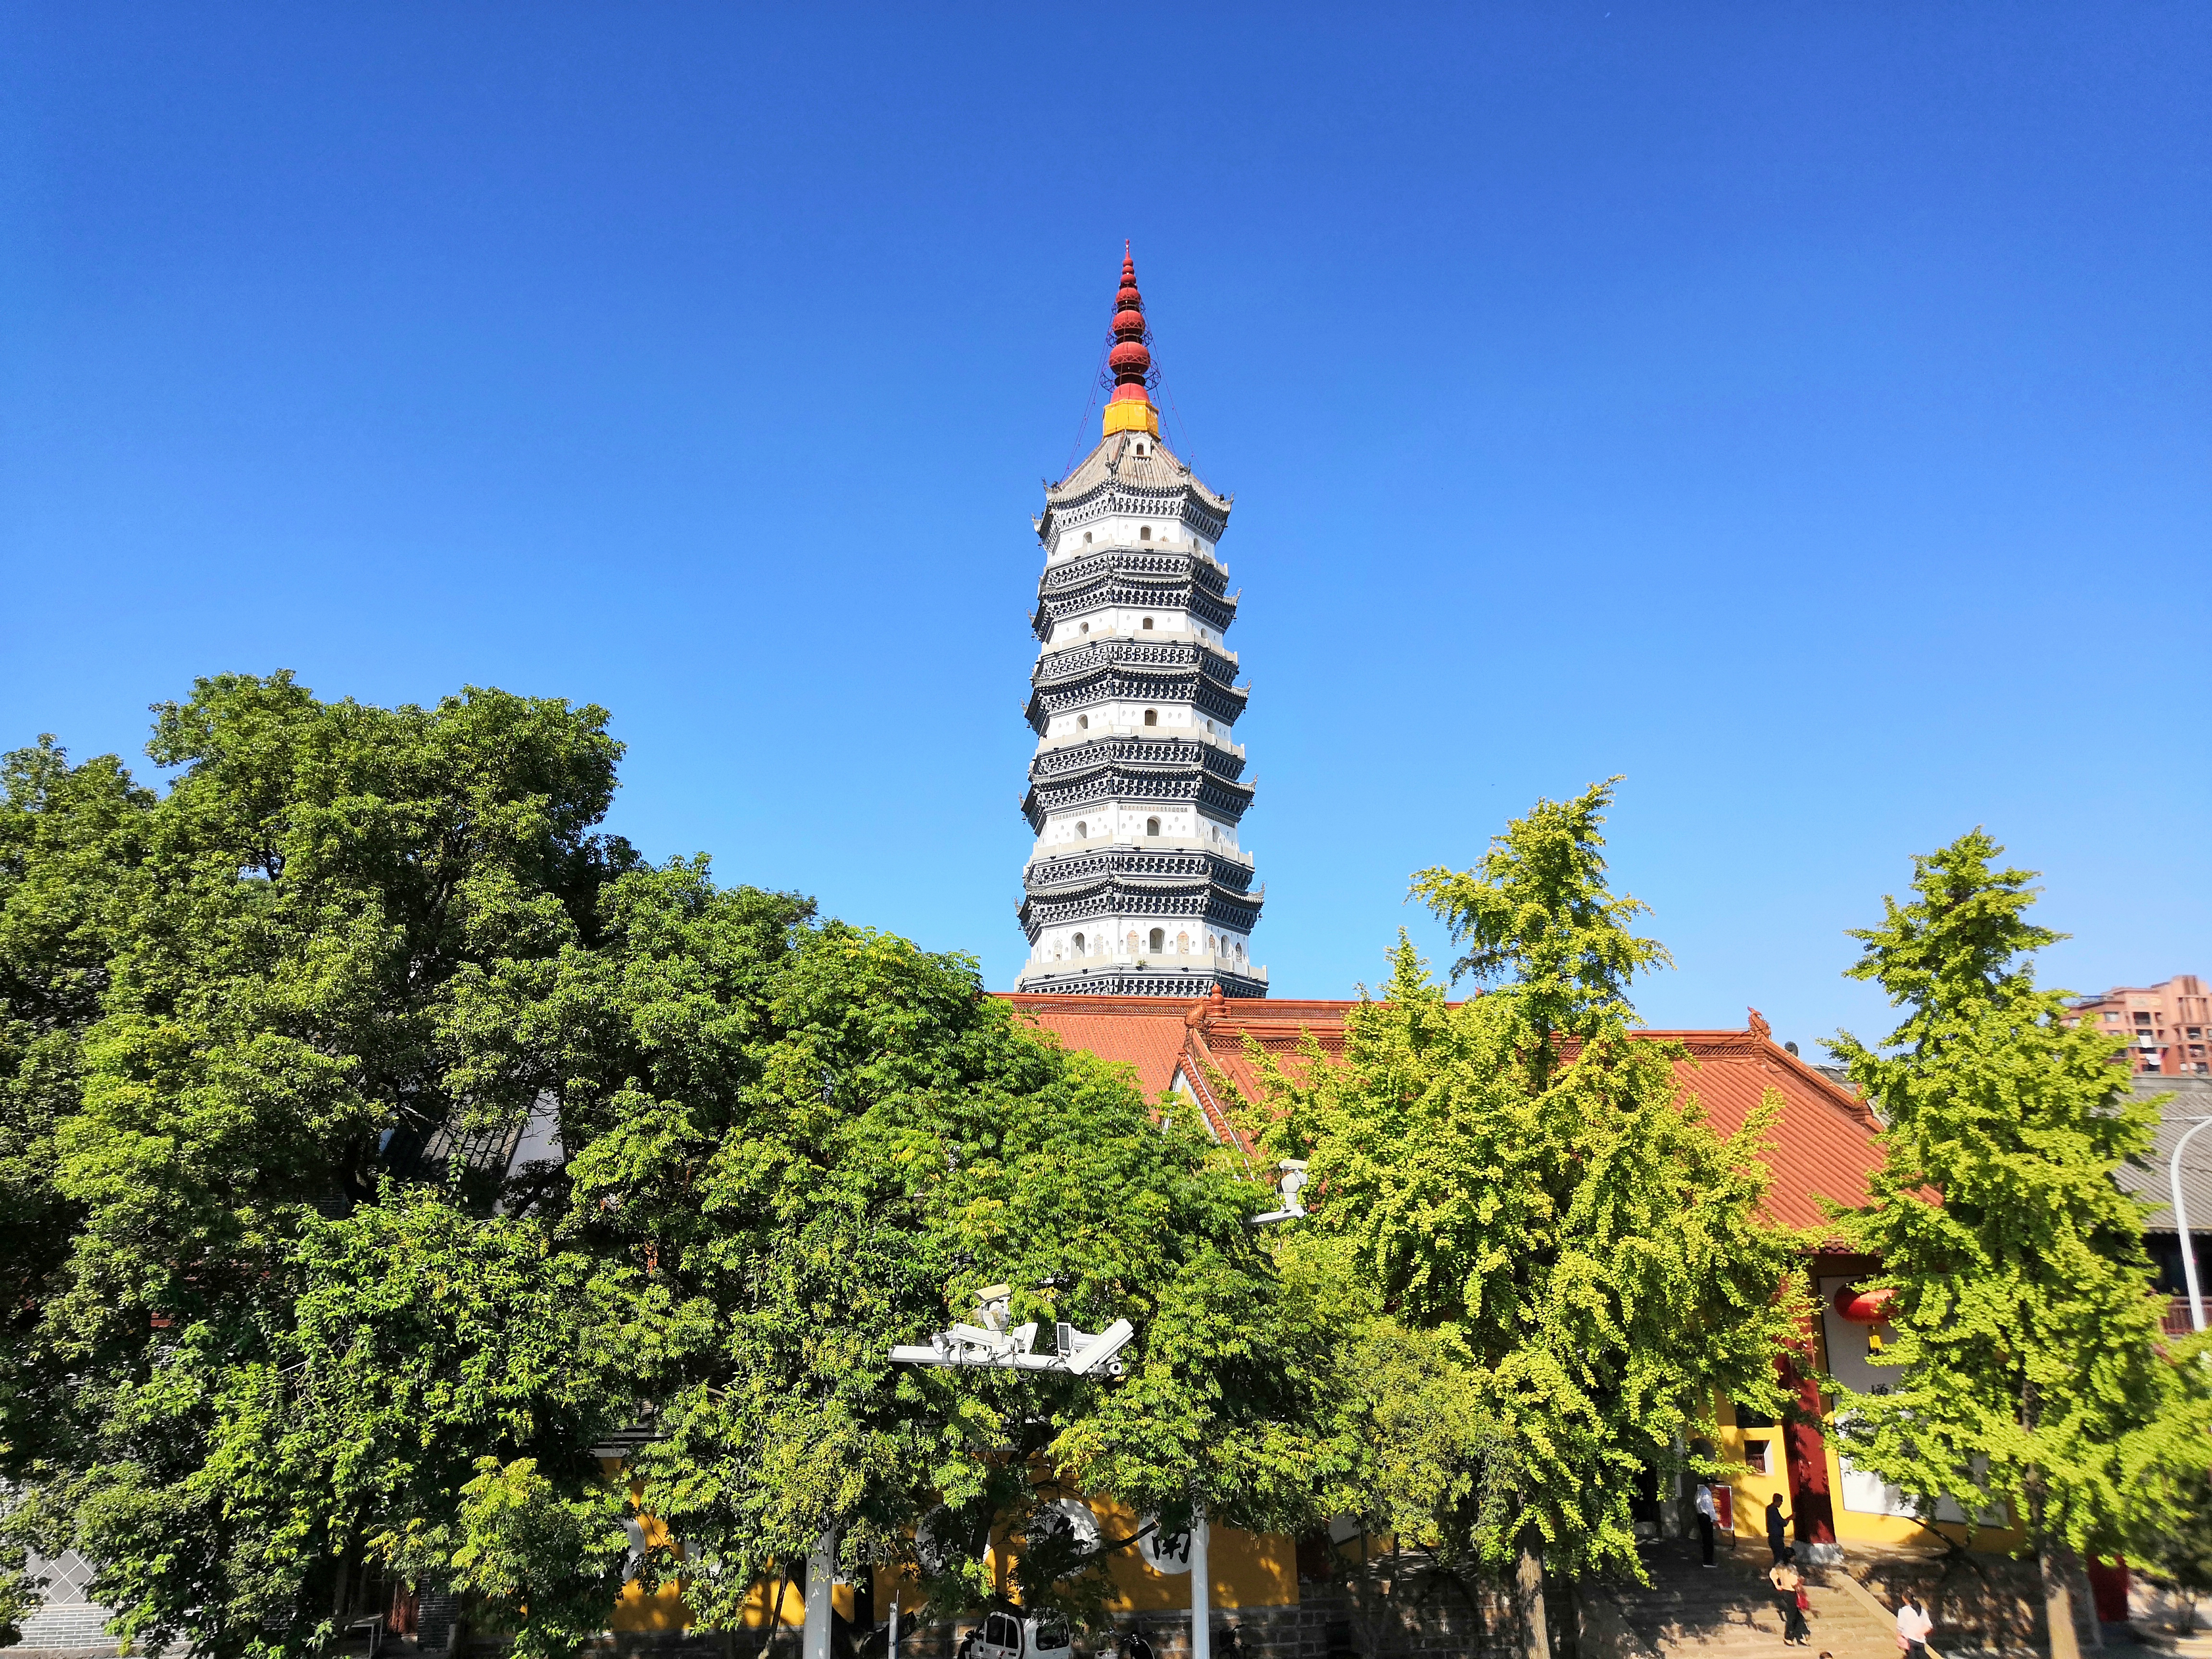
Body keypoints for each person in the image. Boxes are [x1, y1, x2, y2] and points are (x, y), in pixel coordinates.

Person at [1769, 1549, 1810, 1646]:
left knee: (1796, 1614)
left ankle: (1799, 1636)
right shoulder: (1792, 1568)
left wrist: (1777, 1585)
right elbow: (1794, 1582)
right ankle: (1789, 1637)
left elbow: (1772, 1574)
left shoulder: (1779, 1566)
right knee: (1793, 1616)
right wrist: (1801, 1580)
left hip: (1784, 1591)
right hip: (1792, 1593)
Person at [1896, 1594, 1933, 1659]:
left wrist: (1899, 1637)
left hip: (1910, 1640)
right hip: (1921, 1641)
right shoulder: (1923, 1611)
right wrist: (1920, 1633)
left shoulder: (1904, 1610)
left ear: (1904, 1599)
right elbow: (1929, 1626)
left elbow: (1900, 1626)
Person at [1695, 1481, 1718, 1567]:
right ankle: (1708, 1562)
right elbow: (1710, 1508)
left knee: (1705, 1539)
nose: (1715, 1487)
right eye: (1714, 1485)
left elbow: (1696, 1503)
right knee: (1709, 1540)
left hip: (1701, 1516)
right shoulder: (1707, 1493)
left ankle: (1707, 1560)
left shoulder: (1700, 1491)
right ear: (1710, 1485)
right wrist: (1714, 1519)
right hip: (1706, 1517)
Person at [1766, 1492, 1791, 1564]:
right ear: (1778, 1502)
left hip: (1772, 1536)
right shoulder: (1773, 1510)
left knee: (1777, 1556)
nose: (1781, 1504)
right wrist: (1789, 1519)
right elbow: (1782, 1523)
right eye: (1781, 1502)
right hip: (1776, 1537)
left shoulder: (1769, 1509)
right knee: (1779, 1558)